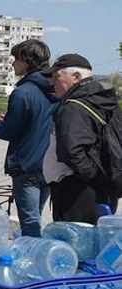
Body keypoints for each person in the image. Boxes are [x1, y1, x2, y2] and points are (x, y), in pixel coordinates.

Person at [47, 54, 120, 223]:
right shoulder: (107, 101)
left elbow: (72, 151)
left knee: (77, 244)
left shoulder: (72, 107)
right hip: (104, 190)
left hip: (76, 194)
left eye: (57, 77)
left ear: (76, 77)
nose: (53, 83)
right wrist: (103, 181)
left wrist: (93, 178)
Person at [0, 39, 55, 237]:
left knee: (29, 222)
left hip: (26, 166)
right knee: (36, 216)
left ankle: (34, 261)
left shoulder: (22, 93)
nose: (12, 64)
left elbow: (9, 131)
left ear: (27, 61)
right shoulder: (55, 90)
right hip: (48, 165)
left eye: (16, 59)